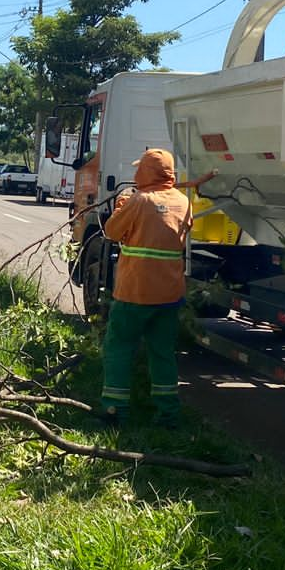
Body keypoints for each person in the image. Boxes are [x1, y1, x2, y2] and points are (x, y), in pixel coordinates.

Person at [99, 148, 215, 426]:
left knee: (119, 348)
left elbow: (112, 233)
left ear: (147, 173)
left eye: (140, 169)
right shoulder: (182, 201)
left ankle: (115, 411)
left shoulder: (139, 200)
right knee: (162, 354)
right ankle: (168, 414)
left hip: (134, 292)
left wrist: (121, 210)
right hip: (168, 294)